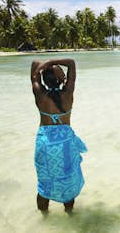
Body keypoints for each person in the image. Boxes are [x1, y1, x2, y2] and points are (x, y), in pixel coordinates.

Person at [30, 58, 87, 214]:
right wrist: (53, 63)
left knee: (44, 184)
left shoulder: (40, 96)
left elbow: (34, 66)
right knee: (67, 179)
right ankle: (70, 214)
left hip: (45, 144)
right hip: (65, 145)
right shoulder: (68, 94)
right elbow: (72, 63)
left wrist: (44, 66)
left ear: (43, 79)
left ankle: (44, 218)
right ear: (62, 78)